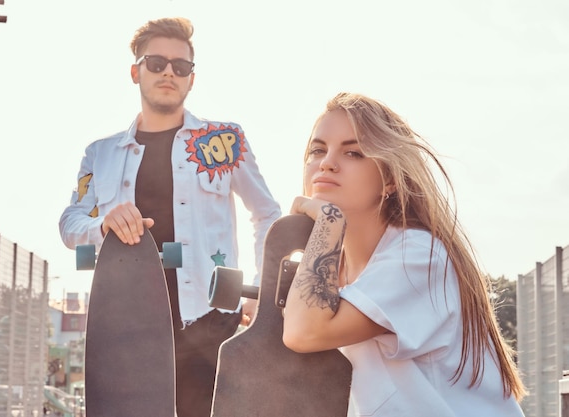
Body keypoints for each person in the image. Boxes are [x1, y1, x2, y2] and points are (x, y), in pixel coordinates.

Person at [59, 17, 281, 417]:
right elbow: (70, 223)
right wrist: (103, 223)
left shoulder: (224, 141)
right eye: (156, 62)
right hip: (129, 328)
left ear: (192, 79)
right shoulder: (100, 154)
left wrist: (261, 293)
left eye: (181, 67)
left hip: (212, 321)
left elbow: (266, 213)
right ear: (135, 71)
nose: (168, 73)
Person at [282, 92, 526, 416]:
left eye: (354, 152)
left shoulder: (418, 257)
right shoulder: (337, 272)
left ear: (390, 181)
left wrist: (327, 222)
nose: (326, 162)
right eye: (317, 150)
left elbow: (304, 333)